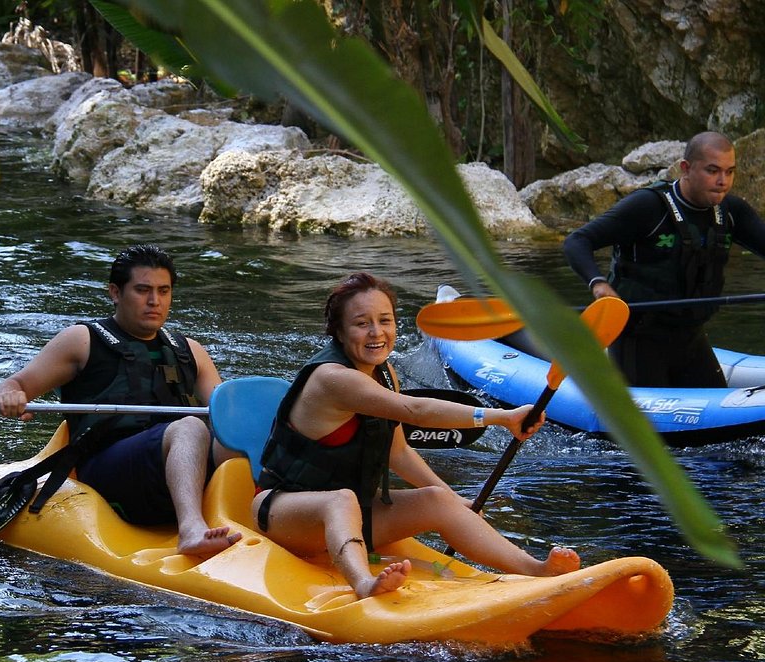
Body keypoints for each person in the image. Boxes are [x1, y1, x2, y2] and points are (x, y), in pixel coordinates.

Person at [252, 272, 581, 599]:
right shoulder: (333, 378)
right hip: (283, 512)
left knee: (436, 499)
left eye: (385, 320)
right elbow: (415, 411)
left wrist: (454, 500)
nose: (377, 333)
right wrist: (500, 417)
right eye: (361, 323)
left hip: (354, 513)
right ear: (338, 331)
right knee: (342, 499)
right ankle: (364, 584)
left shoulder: (384, 372)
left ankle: (536, 570)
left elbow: (399, 454)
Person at [0, 244, 242, 558]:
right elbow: (16, 384)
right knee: (191, 427)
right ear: (115, 292)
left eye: (163, 291)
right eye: (142, 290)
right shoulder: (82, 340)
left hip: (170, 463)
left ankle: (262, 516)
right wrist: (11, 395)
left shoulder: (189, 350)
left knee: (233, 438)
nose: (155, 301)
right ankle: (191, 529)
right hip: (109, 469)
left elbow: (227, 418)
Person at [563, 131, 765, 387]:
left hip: (689, 337)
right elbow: (577, 241)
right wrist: (599, 284)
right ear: (686, 168)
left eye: (730, 172)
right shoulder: (647, 207)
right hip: (637, 339)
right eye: (712, 171)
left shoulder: (732, 212)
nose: (723, 181)